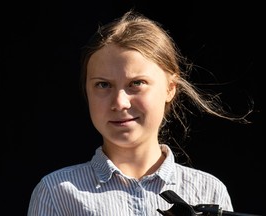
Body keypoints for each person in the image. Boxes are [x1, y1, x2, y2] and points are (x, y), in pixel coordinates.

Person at [27, 9, 252, 216]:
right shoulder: (56, 193)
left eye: (137, 83)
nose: (120, 102)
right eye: (103, 85)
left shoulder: (208, 191)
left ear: (170, 88)